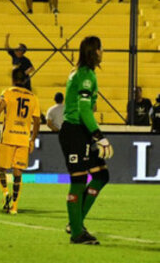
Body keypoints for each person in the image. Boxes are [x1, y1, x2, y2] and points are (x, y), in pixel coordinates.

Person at [58, 36, 113, 245]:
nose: (102, 52)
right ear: (95, 51)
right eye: (101, 49)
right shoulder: (86, 75)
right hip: (74, 132)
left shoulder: (81, 72)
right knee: (79, 181)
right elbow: (82, 109)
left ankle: (76, 222)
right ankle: (77, 234)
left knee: (101, 175)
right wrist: (99, 136)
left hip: (81, 132)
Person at [0, 68, 41, 215]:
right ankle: (14, 207)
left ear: (13, 79)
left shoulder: (8, 93)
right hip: (23, 138)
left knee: (1, 169)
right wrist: (32, 139)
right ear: (24, 80)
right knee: (18, 172)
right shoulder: (33, 97)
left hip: (8, 137)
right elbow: (37, 121)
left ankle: (5, 194)